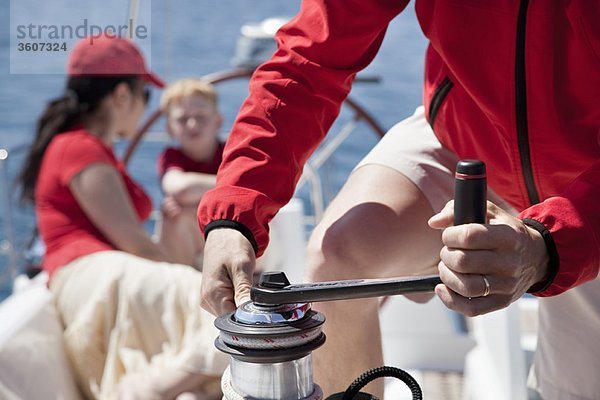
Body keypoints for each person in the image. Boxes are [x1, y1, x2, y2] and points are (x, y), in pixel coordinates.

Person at [197, 1, 599, 399]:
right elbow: (311, 57)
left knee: (573, 390)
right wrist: (234, 211)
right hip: (465, 136)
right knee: (338, 257)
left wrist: (551, 245)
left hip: (589, 186)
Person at [17, 36, 227, 400]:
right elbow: (134, 244)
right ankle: (146, 390)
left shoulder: (80, 147)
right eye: (144, 95)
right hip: (93, 273)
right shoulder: (81, 148)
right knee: (222, 304)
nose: (145, 108)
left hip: (98, 278)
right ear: (121, 96)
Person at [157, 79, 224, 268]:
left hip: (222, 237)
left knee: (179, 210)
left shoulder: (229, 153)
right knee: (173, 215)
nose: (193, 124)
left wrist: (193, 202)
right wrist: (228, 186)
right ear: (170, 129)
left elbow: (186, 193)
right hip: (192, 244)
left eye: (201, 117)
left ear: (217, 121)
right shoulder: (171, 157)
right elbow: (181, 189)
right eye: (182, 119)